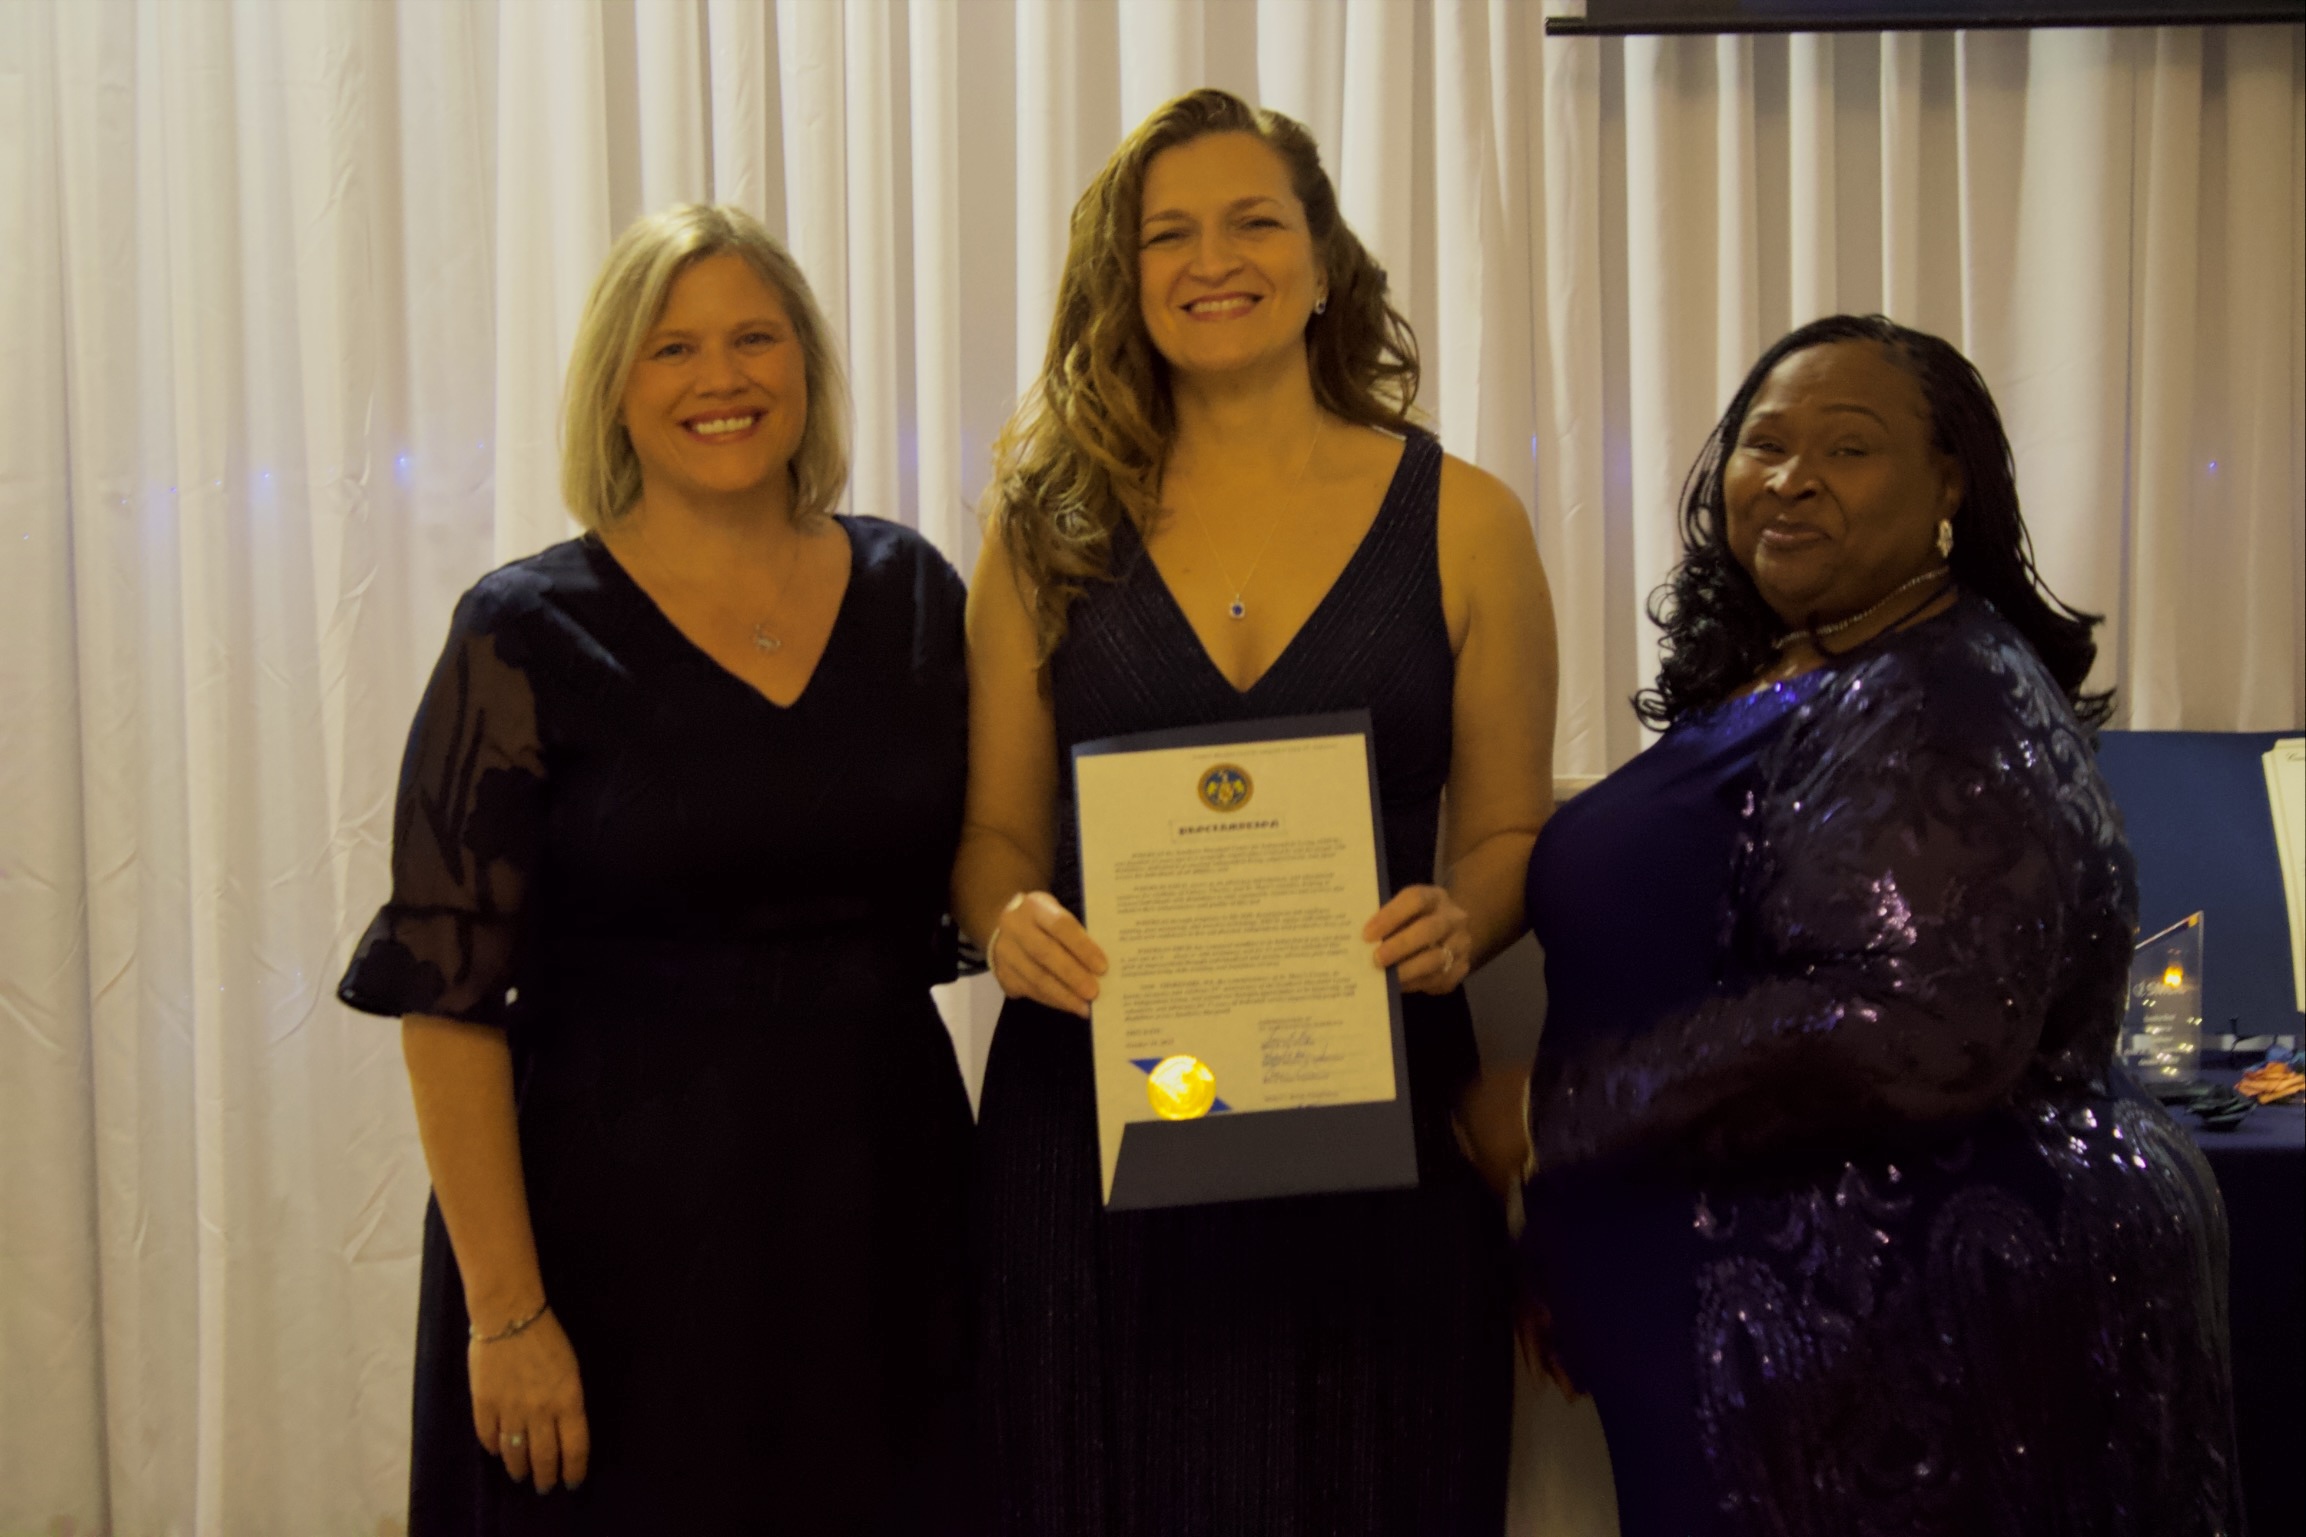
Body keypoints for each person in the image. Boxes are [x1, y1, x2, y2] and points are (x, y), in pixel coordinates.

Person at [1516, 314, 2243, 1535]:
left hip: (1895, 1356)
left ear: (1948, 480)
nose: (1791, 477)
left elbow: (1910, 1024)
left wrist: (1555, 1121)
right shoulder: (1816, 669)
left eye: (1848, 449)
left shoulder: (1945, 690)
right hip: (1749, 1334)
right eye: (1763, 443)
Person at [956, 89, 1558, 1535]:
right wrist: (1008, 921)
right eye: (1166, 233)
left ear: (1322, 257)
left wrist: (1465, 920)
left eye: (1251, 221)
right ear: (1125, 274)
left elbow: (1506, 835)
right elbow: (991, 836)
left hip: (1377, 1123)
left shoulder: (1466, 518)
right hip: (1097, 1136)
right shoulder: (1043, 526)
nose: (1210, 259)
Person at [337, 204, 973, 1535]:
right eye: (671, 348)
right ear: (613, 391)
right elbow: (447, 1003)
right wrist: (507, 1312)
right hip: (610, 1244)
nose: (721, 377)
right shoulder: (520, 635)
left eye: (756, 337)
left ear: (806, 365)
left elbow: (1000, 860)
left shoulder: (913, 591)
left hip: (883, 1225)